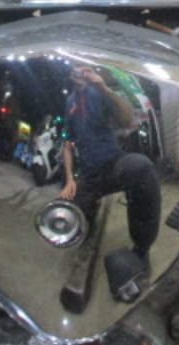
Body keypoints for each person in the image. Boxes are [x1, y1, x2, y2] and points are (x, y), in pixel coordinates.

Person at [58, 65, 160, 267]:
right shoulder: (70, 102)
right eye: (76, 69)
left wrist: (104, 87)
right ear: (70, 73)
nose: (80, 73)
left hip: (113, 163)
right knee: (68, 211)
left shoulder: (99, 93)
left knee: (140, 167)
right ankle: (89, 221)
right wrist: (70, 180)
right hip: (89, 173)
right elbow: (67, 145)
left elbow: (127, 119)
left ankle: (141, 250)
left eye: (84, 68)